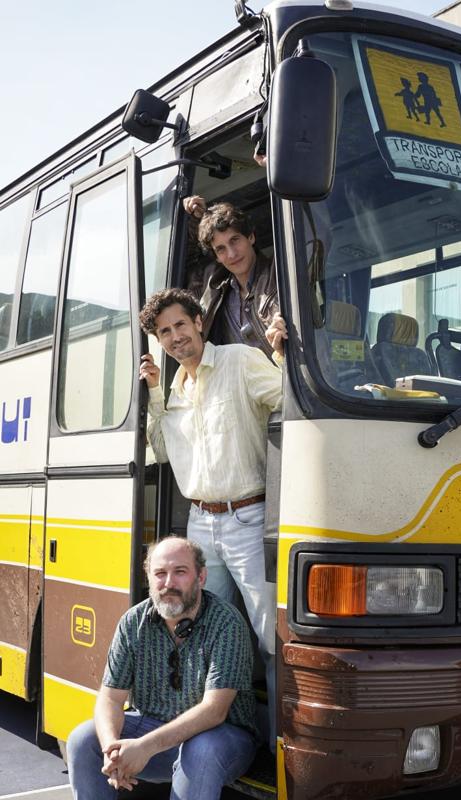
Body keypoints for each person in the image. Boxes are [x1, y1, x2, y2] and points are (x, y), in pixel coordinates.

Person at [138, 287, 282, 748]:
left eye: (181, 325)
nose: (175, 336)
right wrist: (156, 393)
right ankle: (211, 735)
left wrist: (281, 354)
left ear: (199, 322)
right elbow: (161, 451)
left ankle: (281, 744)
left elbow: (286, 400)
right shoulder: (174, 389)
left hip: (248, 516)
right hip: (200, 524)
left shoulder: (240, 360)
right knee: (200, 634)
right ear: (158, 341)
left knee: (269, 639)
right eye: (165, 332)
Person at [66, 536, 257, 800]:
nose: (169, 583)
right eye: (160, 574)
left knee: (201, 749)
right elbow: (110, 698)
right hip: (153, 731)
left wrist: (144, 747)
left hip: (220, 738)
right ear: (149, 579)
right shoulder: (133, 621)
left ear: (201, 577)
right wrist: (113, 751)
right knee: (82, 740)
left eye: (180, 572)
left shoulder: (226, 622)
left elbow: (215, 711)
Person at [183, 198, 279, 358]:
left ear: (251, 237)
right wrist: (194, 220)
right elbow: (185, 262)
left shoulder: (279, 273)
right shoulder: (213, 289)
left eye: (234, 240)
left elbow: (313, 238)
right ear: (217, 257)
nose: (232, 254)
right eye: (221, 249)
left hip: (288, 379)